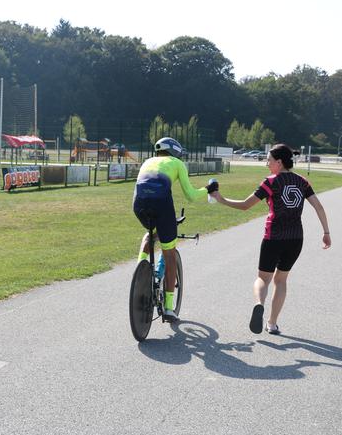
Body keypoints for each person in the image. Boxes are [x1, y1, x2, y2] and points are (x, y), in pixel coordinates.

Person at [209, 143, 331, 335]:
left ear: (279, 162)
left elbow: (245, 205)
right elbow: (319, 207)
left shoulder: (271, 181)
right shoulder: (302, 181)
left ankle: (259, 304)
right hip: (295, 239)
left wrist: (221, 199)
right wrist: (326, 233)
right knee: (281, 280)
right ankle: (272, 324)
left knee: (263, 278)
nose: (267, 164)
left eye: (269, 160)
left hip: (273, 237)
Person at [133, 137, 209, 322]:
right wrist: (208, 189)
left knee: (150, 234)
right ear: (175, 151)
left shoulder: (147, 161)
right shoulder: (177, 163)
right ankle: (168, 307)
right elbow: (190, 195)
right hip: (162, 206)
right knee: (169, 252)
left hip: (139, 205)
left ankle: (140, 272)